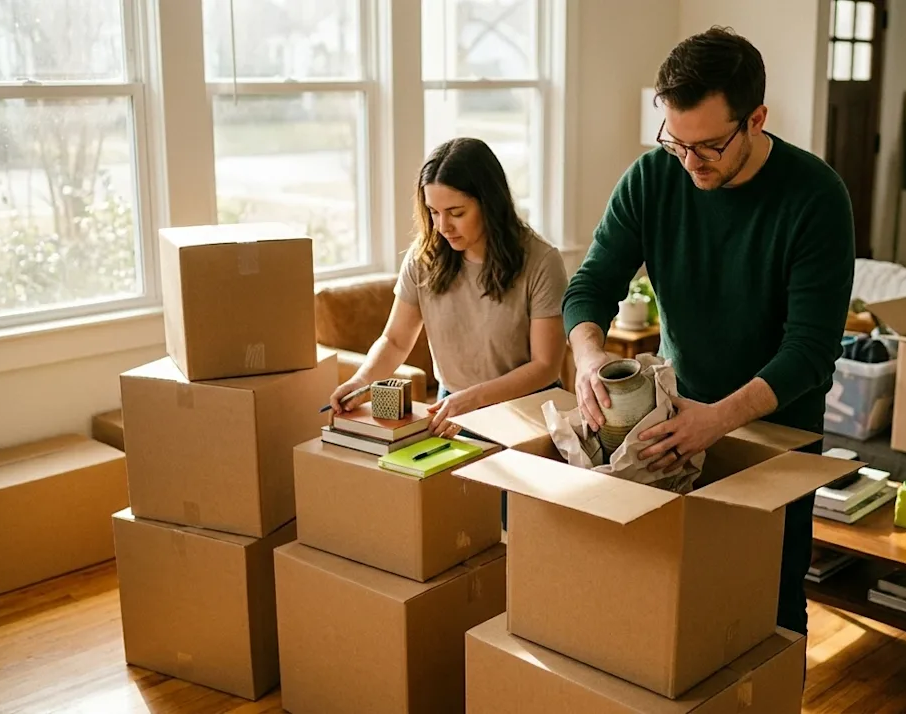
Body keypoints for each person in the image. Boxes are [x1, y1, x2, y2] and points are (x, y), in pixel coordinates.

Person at [561, 27, 855, 636]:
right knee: (671, 610)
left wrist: (717, 419)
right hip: (672, 425)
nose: (690, 162)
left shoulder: (816, 196)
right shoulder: (652, 178)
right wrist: (588, 356)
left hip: (778, 438)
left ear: (757, 119)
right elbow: (590, 286)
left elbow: (810, 351)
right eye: (676, 142)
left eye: (709, 147)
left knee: (769, 612)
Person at [330, 137, 568, 442]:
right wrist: (361, 381)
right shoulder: (424, 257)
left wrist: (472, 399)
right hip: (453, 409)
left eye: (456, 213)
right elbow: (395, 340)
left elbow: (545, 366)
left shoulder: (541, 261)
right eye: (433, 212)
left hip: (526, 410)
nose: (443, 226)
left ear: (490, 204)